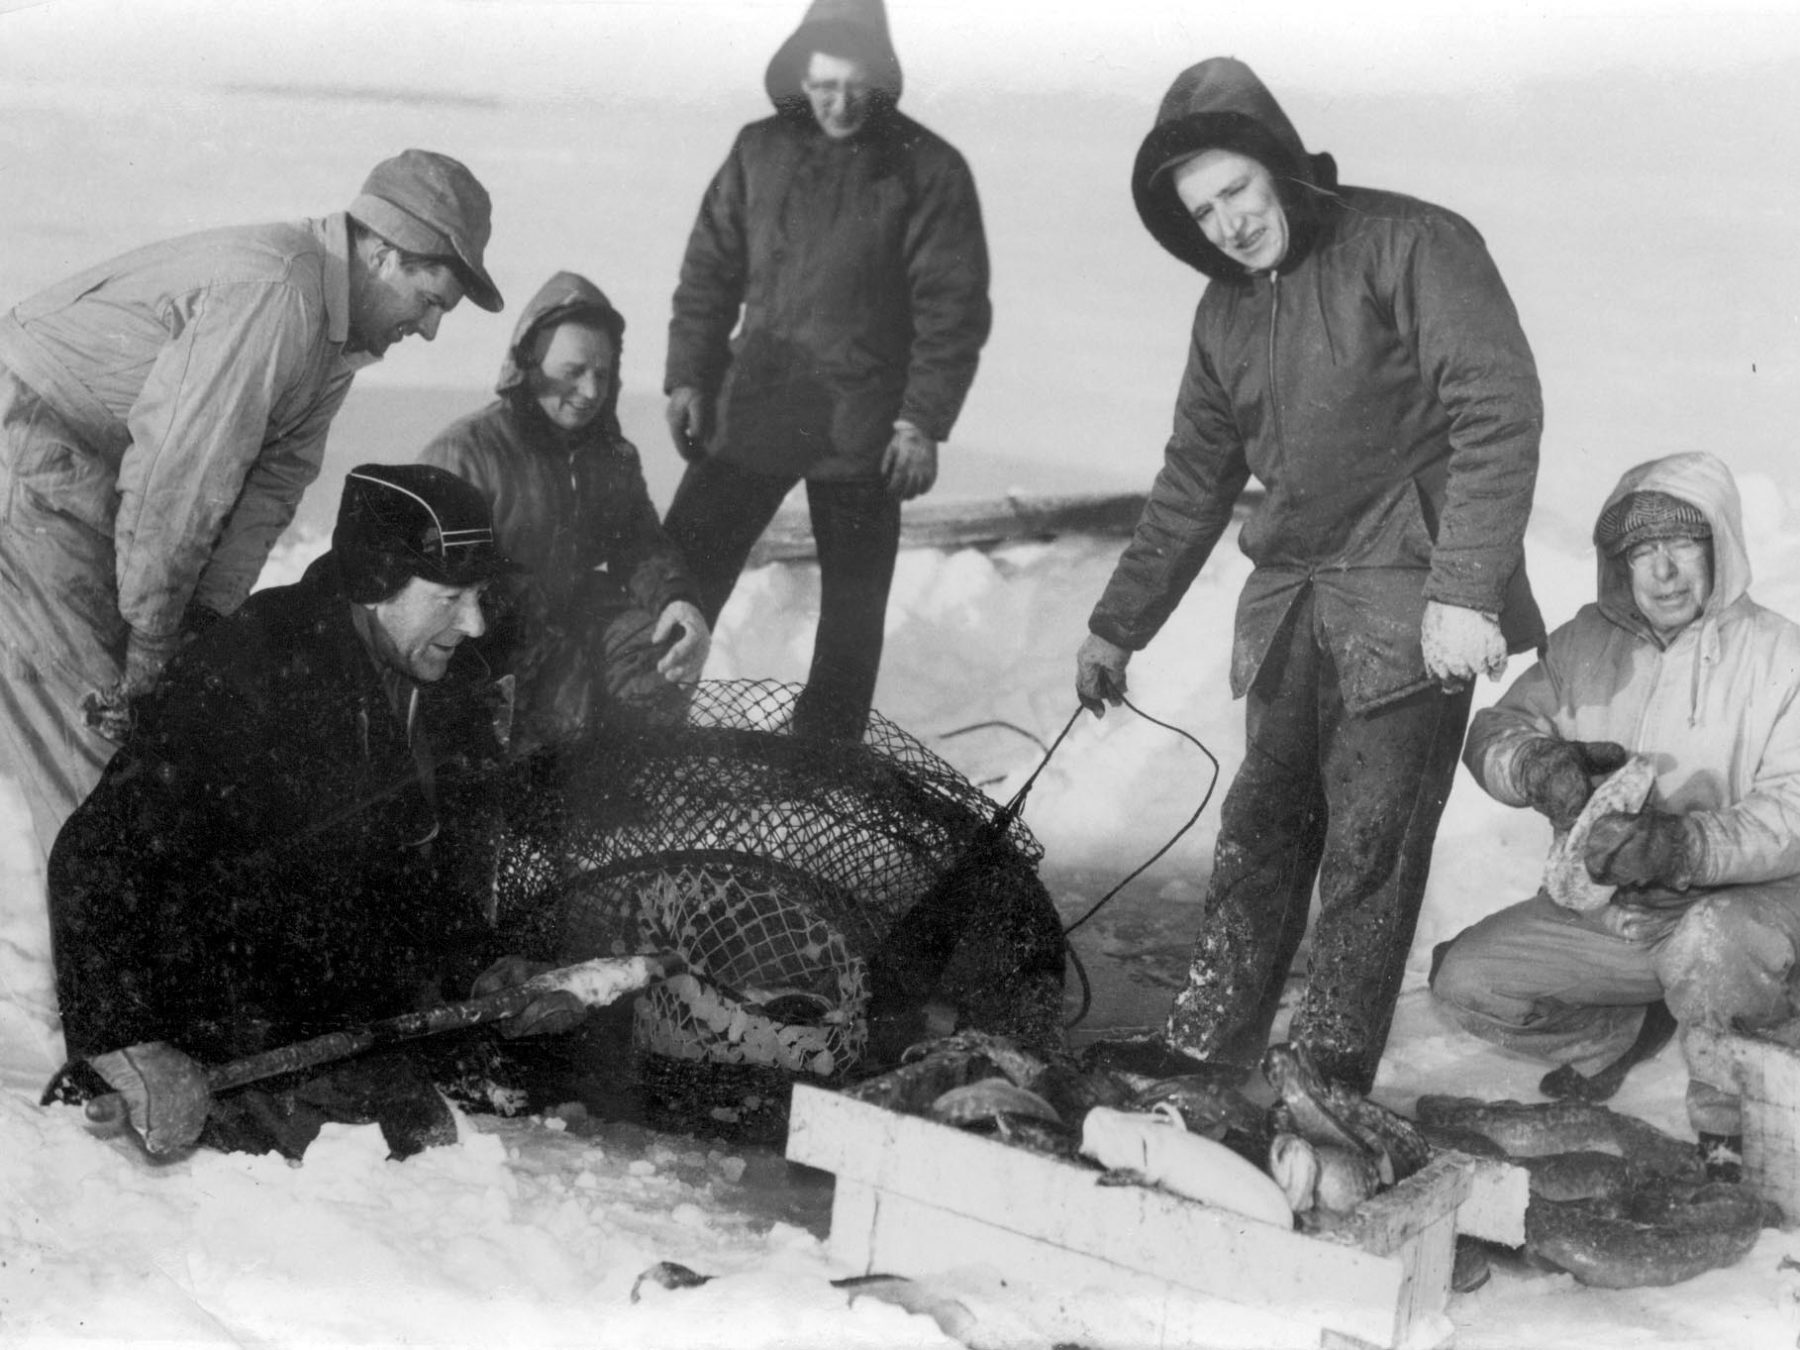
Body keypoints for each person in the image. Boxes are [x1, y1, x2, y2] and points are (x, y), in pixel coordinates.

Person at [1076, 57, 1544, 1094]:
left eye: (1238, 190)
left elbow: (1498, 409)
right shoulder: (1225, 314)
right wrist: (1117, 624)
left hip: (1409, 594)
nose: (1230, 223)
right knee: (1260, 825)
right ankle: (1209, 1041)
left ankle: (1326, 1069)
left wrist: (1465, 590)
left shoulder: (1412, 244)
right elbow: (1193, 480)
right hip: (1292, 602)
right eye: (1204, 212)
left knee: (1372, 845)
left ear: (1279, 164)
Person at [42, 464, 581, 1160]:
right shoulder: (258, 663)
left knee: (532, 1086)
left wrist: (481, 968)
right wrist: (127, 1043)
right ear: (376, 583)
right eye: (450, 597)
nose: (473, 623)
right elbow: (95, 853)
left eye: (478, 595)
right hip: (215, 1004)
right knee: (404, 1146)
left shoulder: (447, 688)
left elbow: (417, 877)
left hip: (328, 989)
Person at [0, 148, 504, 871]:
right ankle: (103, 928)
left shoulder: (335, 341)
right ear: (384, 253)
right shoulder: (281, 295)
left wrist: (201, 628)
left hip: (95, 474)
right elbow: (181, 482)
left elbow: (265, 493)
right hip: (33, 456)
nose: (428, 330)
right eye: (430, 302)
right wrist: (151, 647)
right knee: (104, 766)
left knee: (144, 755)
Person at [1432, 452, 1800, 1183]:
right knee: (1465, 980)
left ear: (1721, 546)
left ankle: (1730, 1133)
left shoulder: (1780, 655)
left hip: (1752, 906)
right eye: (1642, 551)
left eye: (1682, 544)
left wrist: (1684, 847)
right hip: (1619, 914)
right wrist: (1535, 765)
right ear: (1619, 562)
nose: (1663, 572)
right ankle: (1619, 1031)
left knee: (1710, 942)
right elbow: (1494, 730)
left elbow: (1793, 809)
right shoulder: (1585, 642)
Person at [660, 0, 991, 740]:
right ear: (798, 76)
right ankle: (639, 727)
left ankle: (824, 758)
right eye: (822, 85)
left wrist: (921, 422)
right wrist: (688, 376)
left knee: (851, 617)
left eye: (853, 86)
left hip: (865, 424)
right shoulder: (758, 150)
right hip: (756, 403)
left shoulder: (928, 168)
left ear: (881, 78)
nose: (838, 103)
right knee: (679, 574)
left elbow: (952, 308)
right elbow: (709, 272)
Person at [420, 272, 708, 751]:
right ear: (528, 366)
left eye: (602, 374)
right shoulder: (466, 453)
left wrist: (677, 600)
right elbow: (427, 595)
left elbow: (640, 544)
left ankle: (618, 776)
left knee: (659, 640)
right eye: (573, 371)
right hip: (482, 645)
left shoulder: (613, 456)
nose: (590, 391)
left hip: (563, 630)